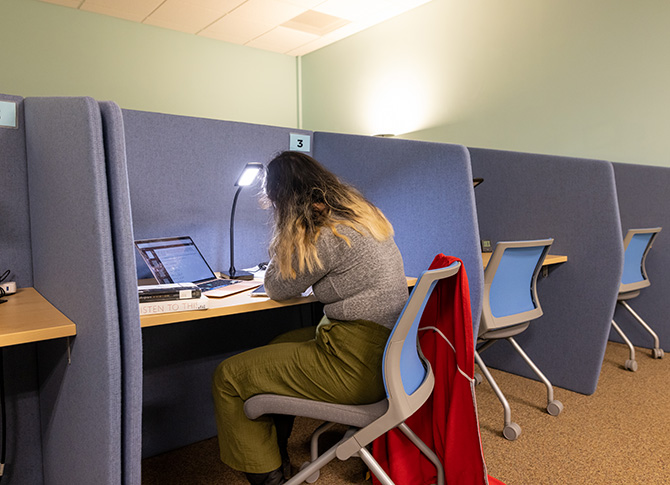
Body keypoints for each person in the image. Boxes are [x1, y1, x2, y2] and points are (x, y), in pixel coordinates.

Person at [212, 151, 409, 485]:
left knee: (228, 376)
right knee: (278, 344)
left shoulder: (326, 233)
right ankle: (275, 455)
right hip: (389, 357)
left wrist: (285, 234)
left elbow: (277, 287)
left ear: (284, 200)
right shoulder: (361, 216)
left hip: (355, 366)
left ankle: (268, 478)